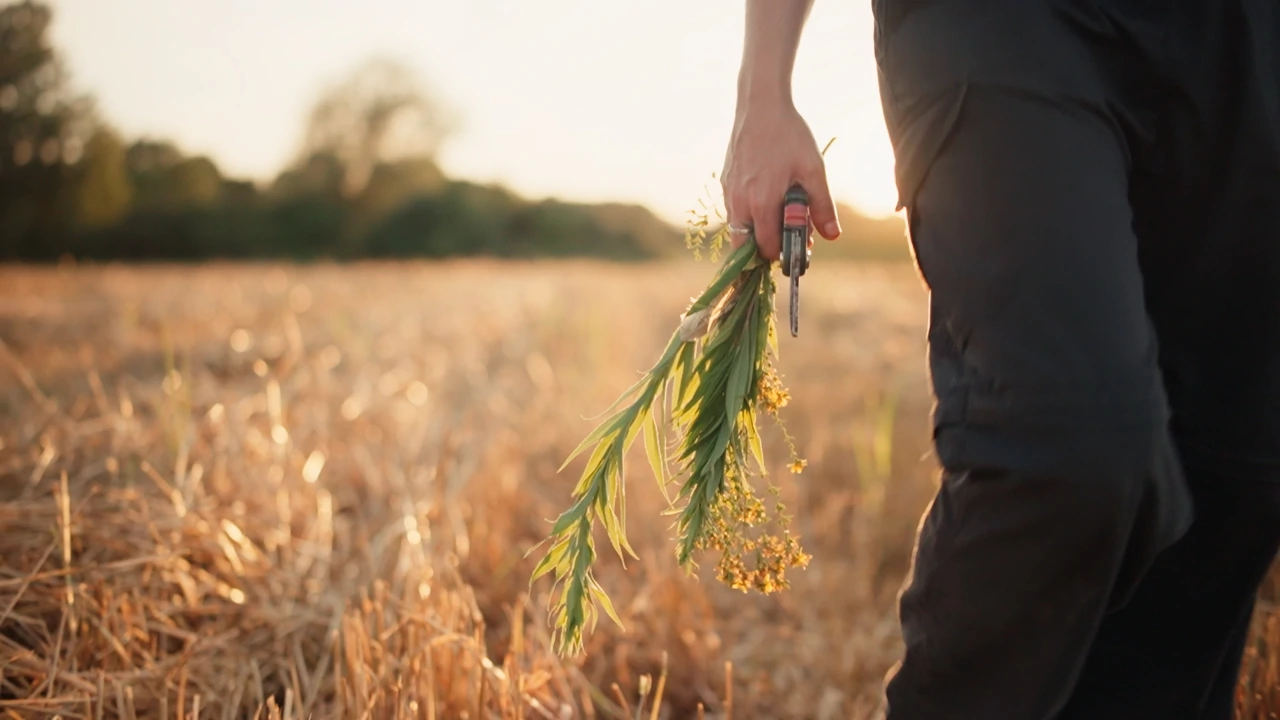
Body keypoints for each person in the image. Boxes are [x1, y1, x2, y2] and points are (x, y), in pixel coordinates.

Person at [721, 1, 1280, 717]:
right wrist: (763, 92)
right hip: (1003, 24)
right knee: (1068, 432)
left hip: (1242, 35)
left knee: (1233, 476)